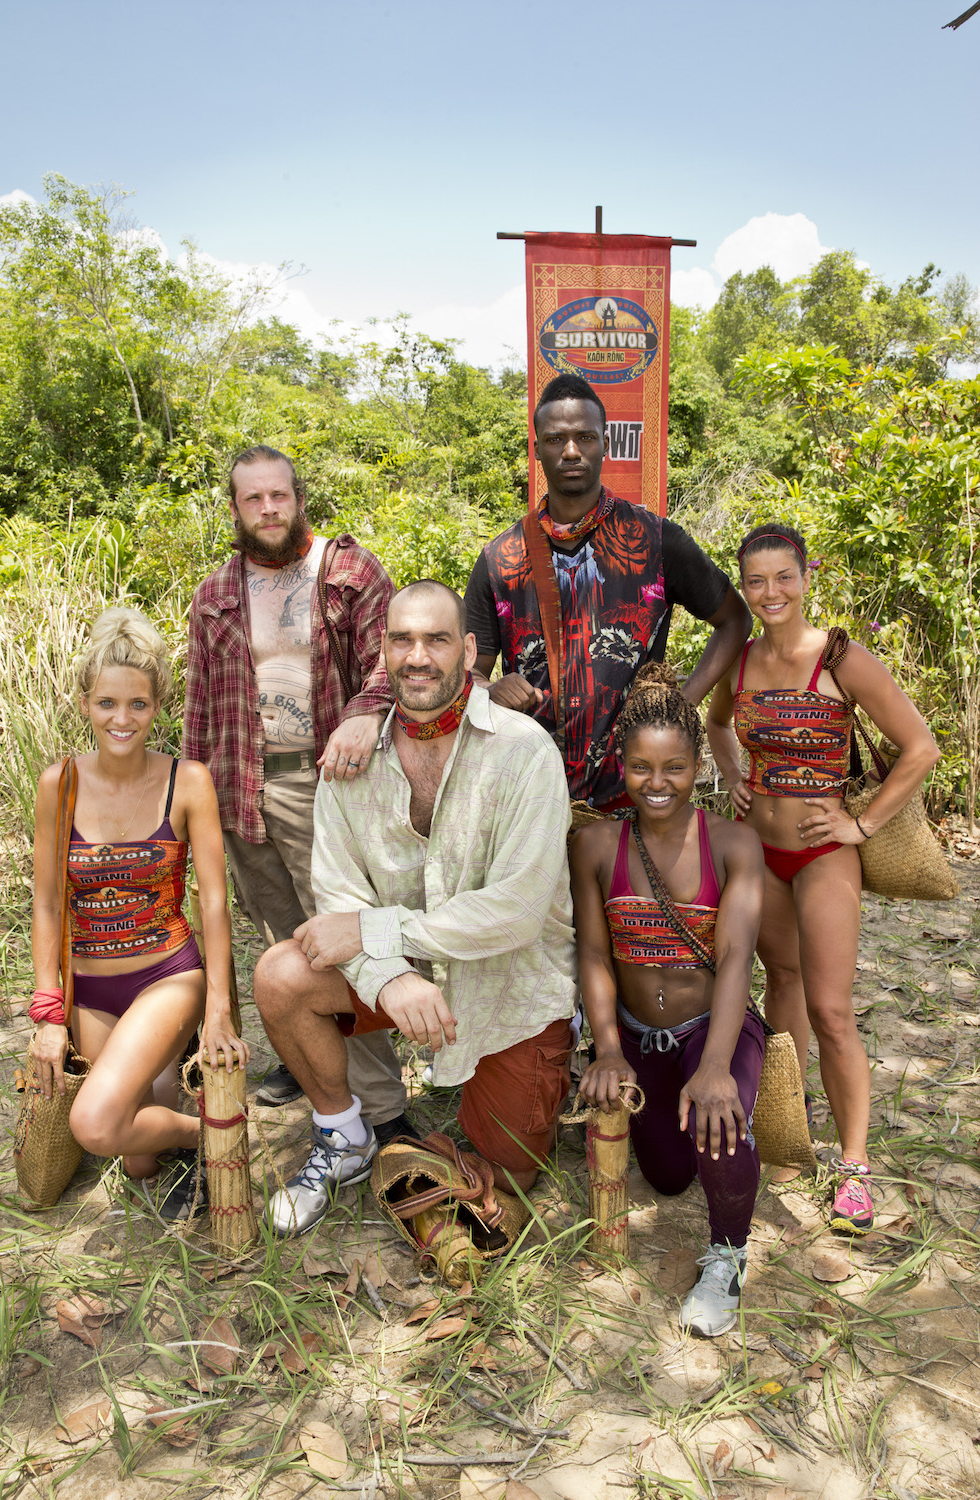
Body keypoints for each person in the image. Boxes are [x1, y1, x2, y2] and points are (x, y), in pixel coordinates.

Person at [251, 580, 577, 1236]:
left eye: (437, 639)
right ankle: (345, 1138)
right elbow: (338, 896)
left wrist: (381, 933)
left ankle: (534, 1078)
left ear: (469, 651)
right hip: (411, 968)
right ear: (383, 650)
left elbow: (515, 911)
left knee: (507, 1173)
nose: (418, 656)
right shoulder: (352, 761)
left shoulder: (524, 752)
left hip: (509, 982)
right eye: (402, 640)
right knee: (281, 975)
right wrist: (392, 976)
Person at [706, 524, 940, 1234]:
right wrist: (734, 775)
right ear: (744, 589)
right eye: (756, 581)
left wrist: (860, 826)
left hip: (821, 855)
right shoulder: (738, 663)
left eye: (784, 577)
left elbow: (920, 747)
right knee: (782, 986)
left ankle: (855, 1167)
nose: (770, 592)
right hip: (759, 853)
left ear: (807, 578)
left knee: (833, 1011)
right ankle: (788, 1126)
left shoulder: (841, 658)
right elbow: (717, 727)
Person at [183, 445, 410, 1136]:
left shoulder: (349, 573)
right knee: (279, 937)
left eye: (278, 494)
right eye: (253, 498)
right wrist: (190, 801)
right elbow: (200, 708)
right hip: (240, 789)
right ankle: (306, 1053)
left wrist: (364, 712)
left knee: (339, 940)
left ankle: (383, 1108)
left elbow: (393, 660)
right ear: (235, 509)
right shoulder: (215, 595)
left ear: (299, 497)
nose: (268, 508)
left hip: (328, 786)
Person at [29, 608, 248, 1219]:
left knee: (97, 1125)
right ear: (84, 704)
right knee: (138, 1160)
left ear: (158, 706)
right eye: (106, 703)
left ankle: (206, 1122)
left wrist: (218, 1009)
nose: (121, 719)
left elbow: (213, 901)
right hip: (91, 987)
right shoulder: (58, 784)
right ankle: (204, 1126)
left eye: (137, 704)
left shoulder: (188, 781)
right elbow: (47, 902)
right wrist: (49, 1014)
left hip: (166, 977)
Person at [572, 663, 765, 1337]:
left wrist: (714, 1068)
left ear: (699, 767)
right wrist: (607, 1050)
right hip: (637, 1036)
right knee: (668, 1176)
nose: (658, 783)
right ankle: (688, 1111)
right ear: (621, 767)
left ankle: (728, 1257)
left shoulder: (735, 844)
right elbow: (594, 955)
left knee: (717, 1123)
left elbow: (736, 955)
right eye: (642, 768)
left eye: (675, 768)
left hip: (714, 1027)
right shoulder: (595, 845)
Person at [464, 373, 752, 812]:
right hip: (530, 796)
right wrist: (490, 689)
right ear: (537, 449)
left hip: (636, 795)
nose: (571, 451)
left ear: (606, 444)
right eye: (555, 439)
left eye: (585, 437)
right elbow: (469, 674)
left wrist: (682, 704)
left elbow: (735, 619)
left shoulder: (656, 541)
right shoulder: (500, 558)